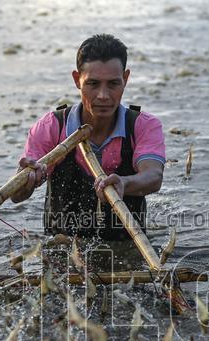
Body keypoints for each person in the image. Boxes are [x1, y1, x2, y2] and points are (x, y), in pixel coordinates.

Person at [12, 34, 166, 241]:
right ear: (77, 80)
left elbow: (153, 177)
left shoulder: (143, 125)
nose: (103, 95)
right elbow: (16, 196)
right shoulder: (51, 127)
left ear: (126, 79)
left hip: (127, 246)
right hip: (63, 249)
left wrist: (124, 183)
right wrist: (26, 179)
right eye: (93, 84)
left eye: (113, 84)